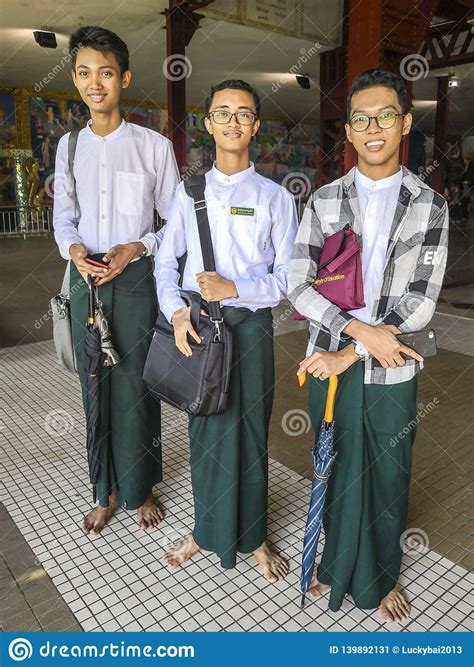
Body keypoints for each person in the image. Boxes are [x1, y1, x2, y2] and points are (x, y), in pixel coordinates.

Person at [288, 69, 449, 623]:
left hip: (392, 367)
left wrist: (355, 349)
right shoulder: (324, 200)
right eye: (361, 118)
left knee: (385, 469)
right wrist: (356, 333)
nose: (373, 127)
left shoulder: (429, 205)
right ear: (350, 132)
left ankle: (379, 576)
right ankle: (332, 561)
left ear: (404, 123)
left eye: (385, 115)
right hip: (329, 360)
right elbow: (296, 282)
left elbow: (420, 300)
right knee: (332, 465)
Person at [155, 80, 298, 582]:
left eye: (244, 114)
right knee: (206, 431)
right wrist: (175, 311)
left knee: (252, 433)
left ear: (255, 126)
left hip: (252, 330)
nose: (233, 122)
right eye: (223, 113)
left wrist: (234, 285)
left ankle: (254, 537)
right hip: (199, 326)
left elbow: (286, 281)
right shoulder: (189, 191)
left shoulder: (276, 198)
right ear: (209, 124)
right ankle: (205, 531)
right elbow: (164, 260)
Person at [53, 26, 179, 535]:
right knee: (94, 383)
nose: (94, 83)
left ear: (123, 77)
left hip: (134, 278)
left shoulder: (152, 146)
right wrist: (73, 248)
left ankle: (140, 488)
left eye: (105, 73)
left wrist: (139, 246)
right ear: (77, 79)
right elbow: (64, 216)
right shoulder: (67, 148)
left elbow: (175, 222)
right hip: (86, 279)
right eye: (84, 73)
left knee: (136, 384)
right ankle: (103, 491)